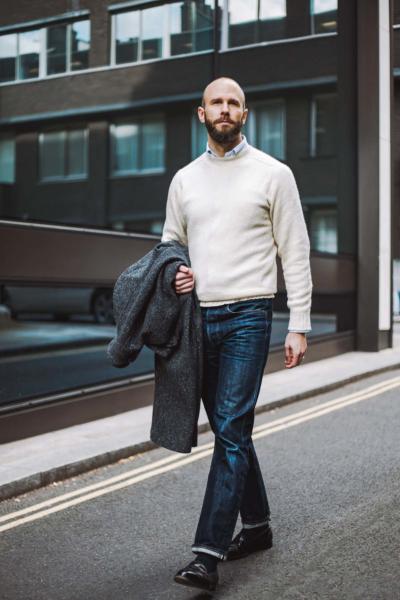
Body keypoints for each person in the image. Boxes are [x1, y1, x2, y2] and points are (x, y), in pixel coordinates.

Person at [161, 77, 313, 592]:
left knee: (228, 430)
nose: (225, 109)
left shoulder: (274, 174)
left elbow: (295, 251)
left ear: (245, 114)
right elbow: (169, 244)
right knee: (233, 429)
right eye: (216, 103)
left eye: (234, 103)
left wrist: (298, 324)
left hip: (250, 316)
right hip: (199, 320)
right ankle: (260, 526)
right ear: (200, 113)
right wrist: (176, 269)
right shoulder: (184, 180)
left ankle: (206, 553)